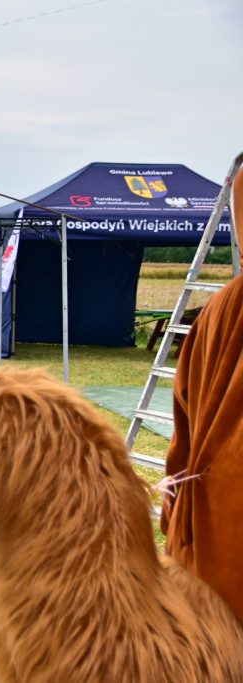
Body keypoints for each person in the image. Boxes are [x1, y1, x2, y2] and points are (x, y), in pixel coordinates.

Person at [160, 163, 243, 624]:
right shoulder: (220, 313)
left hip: (208, 566)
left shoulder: (217, 311)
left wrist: (175, 530)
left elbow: (182, 443)